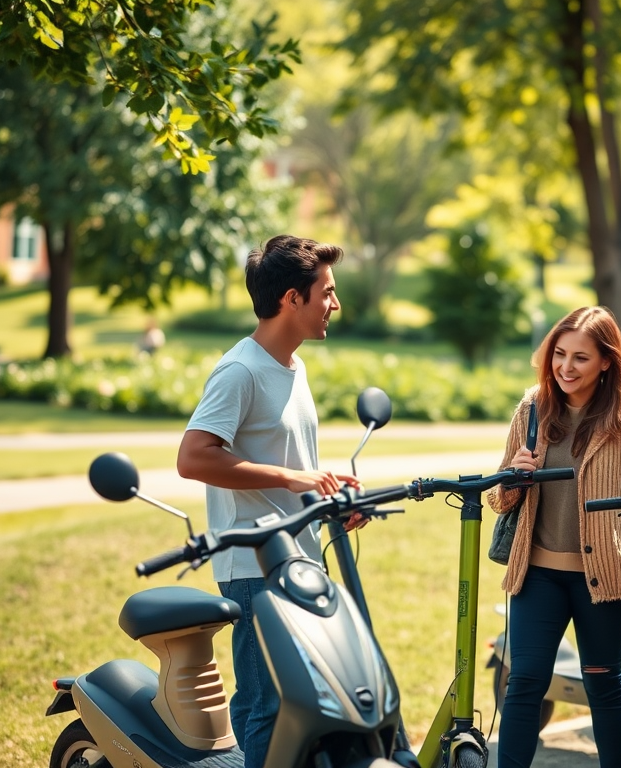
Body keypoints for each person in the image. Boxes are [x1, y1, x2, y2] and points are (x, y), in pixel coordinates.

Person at [176, 234, 362, 768]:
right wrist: (297, 478)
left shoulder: (293, 367)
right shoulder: (240, 371)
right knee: (265, 707)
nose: (335, 304)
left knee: (309, 704)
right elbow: (193, 458)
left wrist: (331, 499)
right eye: (326, 292)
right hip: (253, 568)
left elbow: (294, 468)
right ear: (290, 299)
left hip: (298, 562)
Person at [487, 305, 621, 768]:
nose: (565, 367)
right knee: (524, 681)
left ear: (606, 361)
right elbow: (499, 500)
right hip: (538, 573)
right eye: (559, 354)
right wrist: (511, 475)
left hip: (608, 574)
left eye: (580, 358)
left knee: (604, 682)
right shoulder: (532, 406)